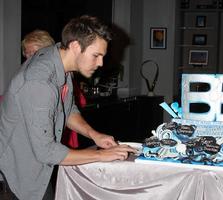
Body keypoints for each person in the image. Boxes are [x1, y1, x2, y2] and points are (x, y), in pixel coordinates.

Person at [0, 15, 136, 200]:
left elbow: (67, 109)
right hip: (16, 171)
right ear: (74, 46)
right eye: (96, 55)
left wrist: (94, 135)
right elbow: (47, 152)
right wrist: (100, 156)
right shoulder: (39, 83)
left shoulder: (62, 62)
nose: (100, 63)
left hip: (36, 164)